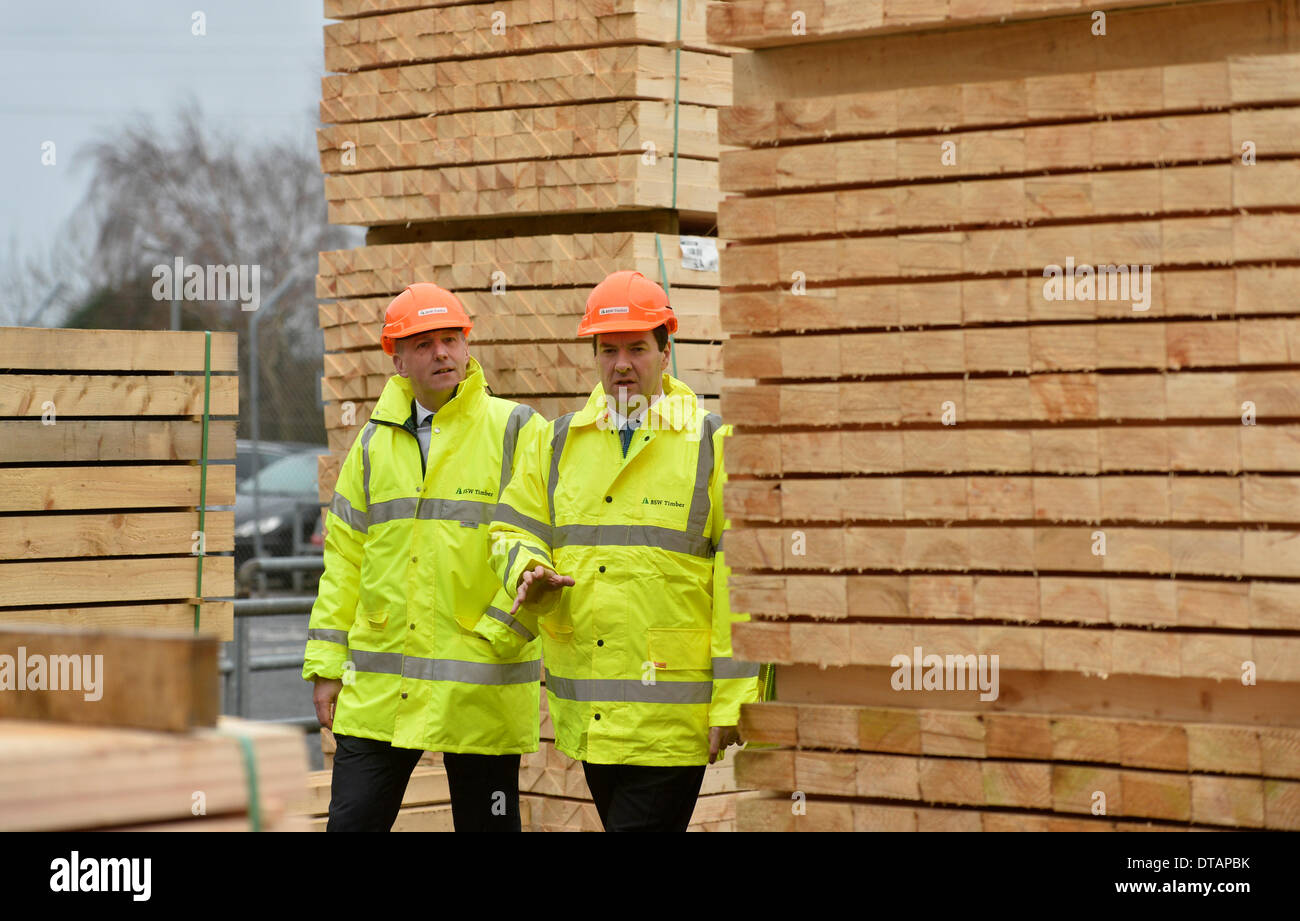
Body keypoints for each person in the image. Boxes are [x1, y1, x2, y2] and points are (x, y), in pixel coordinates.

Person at [479, 270, 762, 832]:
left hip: (670, 718)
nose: (622, 364)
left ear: (666, 350)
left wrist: (732, 702)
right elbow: (510, 530)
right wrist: (527, 567)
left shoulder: (712, 444)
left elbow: (746, 581)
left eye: (637, 348)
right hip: (590, 711)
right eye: (608, 350)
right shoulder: (556, 442)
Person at [303, 282, 547, 832]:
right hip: (384, 687)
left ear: (466, 345)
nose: (440, 352)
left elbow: (542, 549)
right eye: (423, 343)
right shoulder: (370, 446)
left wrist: (505, 630)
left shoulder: (516, 432)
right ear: (398, 358)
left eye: (450, 338)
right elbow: (343, 563)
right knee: (352, 824)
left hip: (480, 681)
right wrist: (325, 666)